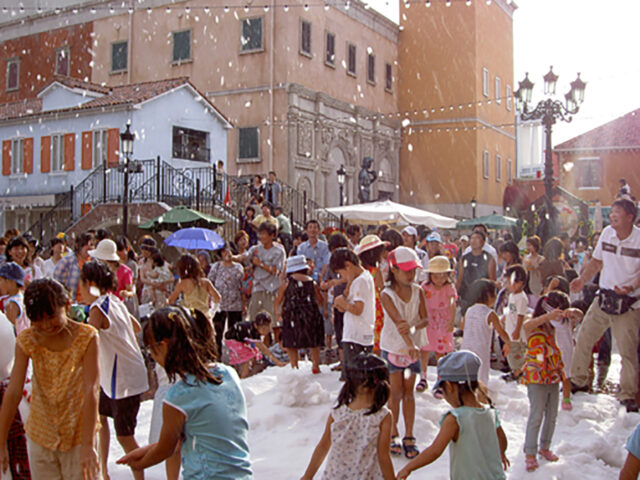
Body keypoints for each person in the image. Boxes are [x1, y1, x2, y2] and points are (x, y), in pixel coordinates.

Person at [117, 306, 253, 479]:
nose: (152, 356)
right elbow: (194, 435)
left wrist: (138, 465)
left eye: (151, 349)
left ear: (164, 346)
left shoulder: (179, 396)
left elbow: (166, 449)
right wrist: (143, 451)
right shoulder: (228, 374)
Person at [0, 278, 100, 480]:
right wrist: (1, 442)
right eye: (38, 320)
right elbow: (14, 390)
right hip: (41, 434)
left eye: (51, 316)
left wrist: (88, 445)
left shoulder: (87, 337)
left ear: (67, 305)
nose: (46, 325)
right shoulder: (28, 339)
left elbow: (92, 390)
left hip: (79, 433)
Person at [80, 261, 149, 480]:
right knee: (101, 418)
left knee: (125, 437)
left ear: (90, 284)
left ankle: (139, 476)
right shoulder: (115, 301)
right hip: (119, 377)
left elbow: (87, 339)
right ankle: (104, 471)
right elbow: (136, 327)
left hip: (123, 380)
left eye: (81, 285)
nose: (79, 291)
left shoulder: (97, 308)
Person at [570, 198, 640, 412]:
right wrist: (583, 279)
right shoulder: (607, 233)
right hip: (604, 297)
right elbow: (597, 261)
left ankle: (627, 393)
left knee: (628, 351)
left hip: (628, 303)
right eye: (612, 212)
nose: (613, 215)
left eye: (618, 212)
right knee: (583, 337)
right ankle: (579, 380)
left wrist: (631, 288)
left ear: (630, 217)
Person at [396, 351, 508, 480]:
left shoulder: (456, 418)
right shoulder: (491, 413)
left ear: (449, 386)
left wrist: (408, 468)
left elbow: (434, 451)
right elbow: (502, 442)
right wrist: (501, 454)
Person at [300, 352, 394, 480]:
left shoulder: (338, 413)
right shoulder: (383, 416)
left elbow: (323, 447)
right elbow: (383, 456)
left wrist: (307, 477)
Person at [379, 247, 427, 460]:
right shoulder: (386, 294)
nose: (410, 275)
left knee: (409, 393)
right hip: (394, 348)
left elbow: (424, 318)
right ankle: (393, 433)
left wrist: (413, 330)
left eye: (413, 270)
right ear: (394, 270)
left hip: (412, 348)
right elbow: (398, 322)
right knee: (395, 393)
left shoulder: (419, 291)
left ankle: (409, 434)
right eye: (406, 270)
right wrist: (409, 341)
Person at [520, 291, 569, 472]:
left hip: (552, 373)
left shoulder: (554, 326)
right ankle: (530, 453)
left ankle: (545, 447)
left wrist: (569, 314)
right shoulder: (535, 323)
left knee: (552, 415)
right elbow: (526, 325)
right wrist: (548, 316)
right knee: (536, 414)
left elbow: (576, 318)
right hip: (536, 375)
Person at [274, 255, 325, 373]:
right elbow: (319, 300)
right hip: (311, 314)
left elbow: (278, 300)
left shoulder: (287, 283)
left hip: (292, 314)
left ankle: (294, 365)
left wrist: (278, 314)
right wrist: (313, 310)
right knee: (314, 342)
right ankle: (315, 365)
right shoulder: (312, 282)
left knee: (292, 342)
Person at [330, 248, 376, 376]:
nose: (342, 277)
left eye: (341, 273)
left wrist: (342, 302)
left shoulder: (360, 281)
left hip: (356, 337)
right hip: (361, 335)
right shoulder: (362, 277)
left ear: (348, 266)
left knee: (354, 379)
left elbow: (357, 309)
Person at [460, 279, 511, 385]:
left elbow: (462, 326)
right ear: (489, 295)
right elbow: (501, 332)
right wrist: (508, 342)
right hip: (480, 351)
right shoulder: (490, 313)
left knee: (467, 377)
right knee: (480, 379)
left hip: (466, 348)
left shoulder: (470, 310)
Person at [419, 255, 457, 391]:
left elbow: (452, 303)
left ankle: (440, 379)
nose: (439, 280)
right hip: (428, 322)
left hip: (442, 323)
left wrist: (452, 320)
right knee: (424, 350)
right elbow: (420, 302)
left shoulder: (449, 288)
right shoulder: (425, 287)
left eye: (442, 276)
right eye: (436, 276)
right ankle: (423, 377)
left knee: (440, 352)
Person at [243, 222, 285, 322]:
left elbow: (276, 270)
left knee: (273, 322)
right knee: (254, 320)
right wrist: (232, 257)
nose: (261, 236)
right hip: (257, 288)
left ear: (272, 235)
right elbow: (244, 256)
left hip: (272, 289)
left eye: (264, 234)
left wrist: (260, 264)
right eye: (260, 233)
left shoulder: (279, 251)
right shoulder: (255, 249)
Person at [320, 233, 350, 371]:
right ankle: (342, 362)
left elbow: (352, 277)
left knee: (350, 332)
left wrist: (335, 282)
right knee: (339, 332)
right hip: (337, 302)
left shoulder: (351, 262)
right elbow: (326, 280)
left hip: (350, 302)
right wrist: (325, 284)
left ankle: (350, 363)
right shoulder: (332, 264)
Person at [208, 244, 245, 355]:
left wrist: (244, 304)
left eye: (228, 251)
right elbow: (210, 283)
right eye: (224, 252)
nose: (227, 254)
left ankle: (235, 355)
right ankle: (217, 354)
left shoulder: (238, 267)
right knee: (217, 332)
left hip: (235, 304)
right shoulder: (216, 267)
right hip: (220, 305)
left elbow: (242, 286)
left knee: (234, 332)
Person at [224, 312, 286, 378]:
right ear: (256, 325)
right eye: (263, 329)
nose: (266, 331)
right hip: (232, 341)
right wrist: (277, 361)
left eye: (268, 328)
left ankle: (248, 372)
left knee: (256, 353)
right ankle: (243, 378)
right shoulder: (251, 331)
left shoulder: (254, 330)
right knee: (249, 356)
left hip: (240, 339)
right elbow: (263, 349)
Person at [356, 235, 388, 354]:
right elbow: (381, 288)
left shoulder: (360, 271)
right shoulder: (375, 271)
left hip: (363, 304)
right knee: (377, 336)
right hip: (376, 306)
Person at [168, 254, 221, 321]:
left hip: (191, 317)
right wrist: (212, 312)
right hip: (206, 316)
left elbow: (171, 300)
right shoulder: (206, 282)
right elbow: (218, 298)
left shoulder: (182, 283)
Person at [457, 230, 497, 314]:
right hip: (466, 296)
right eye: (472, 238)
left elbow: (492, 281)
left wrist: (492, 299)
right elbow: (460, 278)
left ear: (483, 242)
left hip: (482, 298)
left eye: (477, 238)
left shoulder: (489, 258)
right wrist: (456, 295)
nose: (474, 241)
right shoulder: (464, 258)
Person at [501, 265, 529, 382]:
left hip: (516, 332)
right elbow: (510, 310)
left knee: (516, 353)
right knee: (511, 354)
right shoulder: (512, 296)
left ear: (519, 283)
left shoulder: (521, 298)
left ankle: (519, 372)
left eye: (509, 282)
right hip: (509, 329)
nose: (507, 285)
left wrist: (517, 330)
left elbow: (520, 315)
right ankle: (515, 371)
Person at [53, 232, 95, 303]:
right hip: (74, 304)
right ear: (77, 246)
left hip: (92, 303)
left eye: (92, 245)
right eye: (86, 245)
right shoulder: (67, 261)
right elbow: (56, 284)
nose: (89, 248)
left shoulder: (95, 261)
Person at [0, 262, 28, 335]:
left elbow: (9, 330)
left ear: (10, 282)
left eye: (0, 280)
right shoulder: (21, 296)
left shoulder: (12, 304)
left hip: (16, 341)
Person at [524, 235, 545, 303]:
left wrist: (534, 266)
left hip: (536, 285)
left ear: (535, 246)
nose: (528, 247)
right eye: (527, 245)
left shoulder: (541, 259)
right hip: (526, 284)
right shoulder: (526, 258)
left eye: (530, 245)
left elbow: (541, 273)